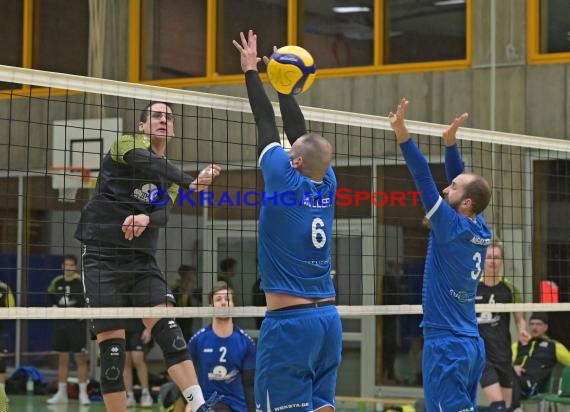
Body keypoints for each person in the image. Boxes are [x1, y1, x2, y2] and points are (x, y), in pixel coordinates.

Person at [74, 101, 222, 411]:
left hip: (141, 262)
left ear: (174, 129)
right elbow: (150, 163)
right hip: (102, 259)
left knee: (171, 334)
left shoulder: (165, 179)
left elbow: (162, 213)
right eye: (156, 116)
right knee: (113, 353)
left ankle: (199, 406)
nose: (163, 121)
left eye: (169, 118)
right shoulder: (127, 145)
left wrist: (145, 219)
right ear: (143, 125)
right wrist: (191, 182)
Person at [233, 30, 342, 412]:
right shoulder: (327, 181)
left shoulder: (283, 179)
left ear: (294, 161)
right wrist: (283, 80)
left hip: (291, 322)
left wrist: (251, 70)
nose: (286, 145)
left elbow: (265, 120)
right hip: (328, 319)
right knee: (322, 404)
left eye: (289, 150)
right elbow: (301, 135)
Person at [389, 98, 492, 411]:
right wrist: (450, 146)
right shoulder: (479, 227)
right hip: (470, 345)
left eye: (453, 188)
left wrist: (402, 133)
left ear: (466, 204)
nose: (446, 189)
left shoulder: (450, 226)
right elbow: (463, 184)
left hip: (447, 345)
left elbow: (421, 175)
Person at [185, 281, 256, 412]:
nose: (223, 302)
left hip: (238, 406)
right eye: (218, 299)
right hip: (208, 404)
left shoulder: (246, 342)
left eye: (228, 299)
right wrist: (191, 403)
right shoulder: (198, 340)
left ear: (233, 305)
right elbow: (187, 376)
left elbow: (249, 385)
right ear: (211, 306)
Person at [476, 242, 530, 411]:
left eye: (497, 257)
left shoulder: (510, 289)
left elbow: (519, 318)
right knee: (498, 405)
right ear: (483, 261)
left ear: (502, 261)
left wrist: (522, 330)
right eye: (489, 257)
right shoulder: (472, 287)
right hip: (481, 355)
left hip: (503, 353)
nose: (492, 261)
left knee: (507, 407)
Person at [46, 254, 91, 405]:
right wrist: (53, 308)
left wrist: (84, 313)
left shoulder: (81, 282)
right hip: (61, 325)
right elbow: (50, 297)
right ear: (62, 266)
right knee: (63, 359)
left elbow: (89, 300)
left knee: (80, 359)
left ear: (75, 266)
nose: (69, 267)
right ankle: (61, 393)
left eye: (72, 265)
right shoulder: (56, 281)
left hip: (77, 325)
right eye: (66, 265)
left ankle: (83, 394)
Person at [511, 312, 570, 410]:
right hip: (513, 378)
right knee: (498, 380)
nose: (534, 327)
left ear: (546, 327)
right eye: (532, 324)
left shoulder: (553, 346)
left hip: (532, 384)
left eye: (538, 324)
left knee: (509, 384)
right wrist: (513, 368)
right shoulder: (517, 345)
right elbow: (505, 363)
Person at [124, 319, 153, 408]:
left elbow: (149, 306)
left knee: (137, 358)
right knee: (125, 360)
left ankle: (145, 393)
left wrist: (148, 328)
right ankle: (129, 395)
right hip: (121, 325)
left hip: (138, 326)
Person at [172, 264, 199, 340]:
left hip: (187, 323)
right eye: (193, 274)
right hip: (180, 323)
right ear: (187, 275)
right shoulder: (177, 289)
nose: (195, 276)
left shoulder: (189, 289)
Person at [0, 281, 15, 408]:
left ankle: (1, 393)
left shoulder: (4, 288)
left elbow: (12, 307)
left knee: (1, 361)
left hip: (1, 329)